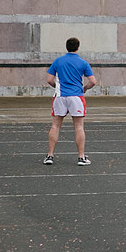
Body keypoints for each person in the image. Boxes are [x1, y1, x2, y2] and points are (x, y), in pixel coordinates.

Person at [44, 37, 97, 166]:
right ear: (78, 47)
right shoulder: (83, 63)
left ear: (66, 47)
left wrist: (57, 87)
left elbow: (49, 79)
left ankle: (50, 155)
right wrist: (84, 88)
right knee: (79, 126)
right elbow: (93, 81)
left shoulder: (58, 61)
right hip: (76, 97)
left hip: (60, 96)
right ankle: (81, 157)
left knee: (55, 125)